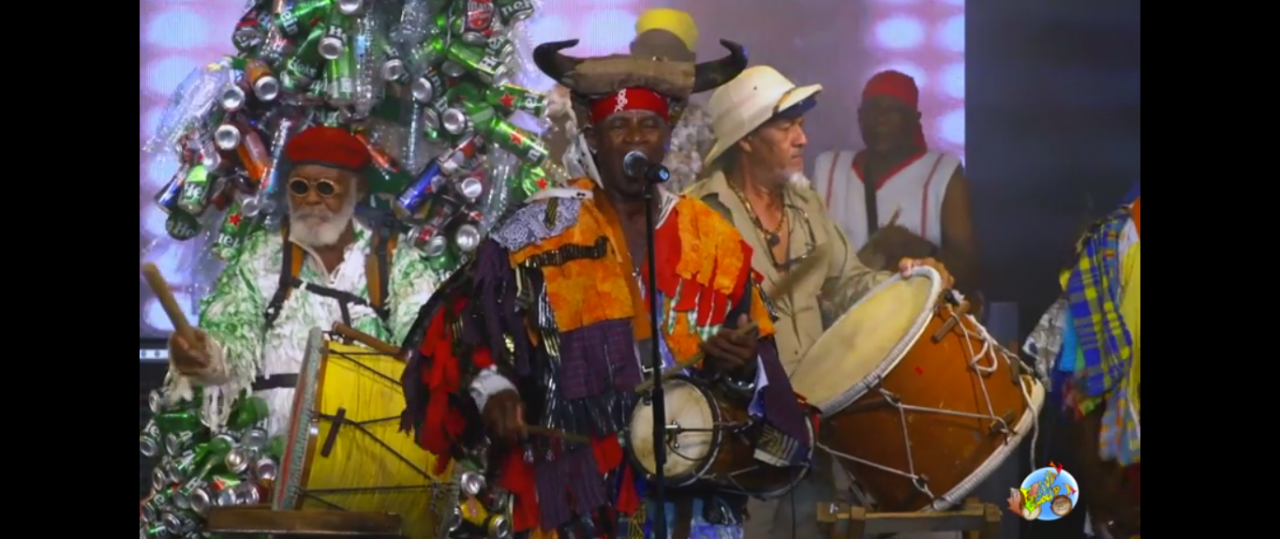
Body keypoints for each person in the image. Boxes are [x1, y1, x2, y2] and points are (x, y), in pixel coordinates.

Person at [400, 37, 812, 539]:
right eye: (619, 126)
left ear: (667, 137)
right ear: (593, 137)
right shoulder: (540, 227)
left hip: (693, 500)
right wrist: (496, 390)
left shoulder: (713, 239)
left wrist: (743, 369)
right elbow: (468, 332)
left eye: (649, 125)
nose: (635, 137)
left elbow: (757, 374)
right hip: (579, 495)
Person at [686, 65, 954, 538]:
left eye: (801, 125)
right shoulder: (700, 215)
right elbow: (678, 326)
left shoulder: (806, 206)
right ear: (746, 140)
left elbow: (848, 284)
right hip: (741, 439)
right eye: (786, 127)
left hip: (815, 429)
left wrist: (909, 281)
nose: (802, 139)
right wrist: (710, 343)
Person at [164, 126, 439, 436]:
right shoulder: (262, 255)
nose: (311, 199)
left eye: (326, 188)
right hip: (272, 450)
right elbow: (232, 331)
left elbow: (427, 342)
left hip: (368, 449)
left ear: (358, 190)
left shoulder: (394, 261)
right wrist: (206, 355)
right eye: (299, 187)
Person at [812, 70, 980, 299]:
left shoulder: (942, 172)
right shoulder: (829, 169)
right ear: (860, 117)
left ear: (914, 119)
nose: (880, 119)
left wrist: (918, 247)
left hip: (911, 312)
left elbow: (969, 269)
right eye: (873, 109)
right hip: (839, 312)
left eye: (894, 110)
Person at [544, 7, 715, 193]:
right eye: (648, 50)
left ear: (688, 60)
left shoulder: (702, 124)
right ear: (633, 52)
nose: (656, 61)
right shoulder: (601, 103)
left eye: (669, 52)